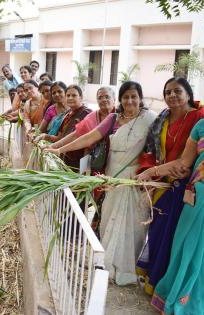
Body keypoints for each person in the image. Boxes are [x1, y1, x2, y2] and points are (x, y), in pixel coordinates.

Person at [138, 77, 204, 315]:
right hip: (195, 198)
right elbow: (184, 163)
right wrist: (152, 172)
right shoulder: (202, 127)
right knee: (184, 247)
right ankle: (178, 300)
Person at [46, 81, 157, 284]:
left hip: (133, 180)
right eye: (126, 97)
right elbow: (88, 137)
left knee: (132, 225)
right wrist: (58, 150)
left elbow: (157, 151)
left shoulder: (150, 120)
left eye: (134, 96)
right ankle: (107, 265)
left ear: (140, 98)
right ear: (121, 101)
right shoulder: (114, 119)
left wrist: (151, 175)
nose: (130, 100)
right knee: (108, 220)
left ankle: (126, 270)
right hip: (112, 177)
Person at [135, 77, 204, 295]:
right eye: (168, 92)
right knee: (157, 231)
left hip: (184, 186)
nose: (172, 95)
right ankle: (153, 278)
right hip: (161, 182)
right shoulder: (162, 118)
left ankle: (166, 284)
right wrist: (150, 173)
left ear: (188, 93)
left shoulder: (201, 118)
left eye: (178, 91)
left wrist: (188, 167)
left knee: (172, 235)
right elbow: (151, 150)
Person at [45, 86, 116, 154]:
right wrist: (54, 147)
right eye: (100, 97)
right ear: (97, 100)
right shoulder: (91, 117)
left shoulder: (120, 116)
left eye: (107, 97)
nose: (103, 100)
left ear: (114, 99)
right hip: (96, 159)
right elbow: (76, 135)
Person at [41, 85, 92, 170]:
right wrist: (45, 137)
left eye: (74, 95)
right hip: (64, 159)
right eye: (68, 95)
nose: (70, 98)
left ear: (81, 97)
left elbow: (87, 142)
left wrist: (85, 167)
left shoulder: (87, 114)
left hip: (80, 160)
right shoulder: (67, 115)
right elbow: (60, 138)